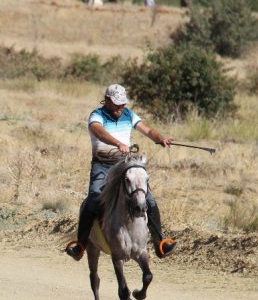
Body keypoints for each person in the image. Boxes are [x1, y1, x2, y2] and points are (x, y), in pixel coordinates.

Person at [65, 84, 177, 261]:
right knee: (93, 199)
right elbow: (99, 132)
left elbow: (147, 129)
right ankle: (80, 245)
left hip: (124, 166)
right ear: (107, 100)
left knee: (149, 198)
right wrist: (118, 143)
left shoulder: (128, 114)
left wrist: (159, 138)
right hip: (102, 166)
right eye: (117, 103)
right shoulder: (96, 116)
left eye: (123, 103)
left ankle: (160, 242)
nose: (121, 107)